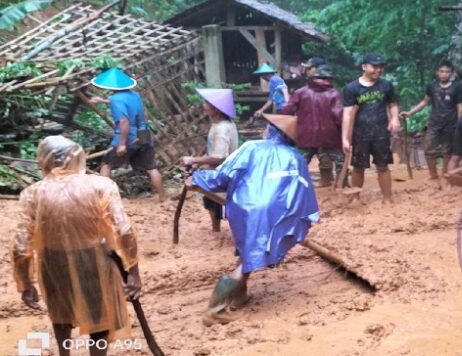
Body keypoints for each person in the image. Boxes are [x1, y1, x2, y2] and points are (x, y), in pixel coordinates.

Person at [11, 136, 141, 356]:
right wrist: (134, 273)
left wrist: (25, 282)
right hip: (95, 259)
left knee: (61, 316)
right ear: (78, 157)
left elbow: (21, 245)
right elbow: (124, 230)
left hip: (53, 261)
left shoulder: (33, 194)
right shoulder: (100, 185)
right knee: (100, 318)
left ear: (44, 160)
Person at [187, 114, 319, 325]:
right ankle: (217, 310)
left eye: (267, 127)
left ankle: (235, 297)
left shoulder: (252, 147)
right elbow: (304, 193)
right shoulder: (297, 157)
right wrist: (295, 220)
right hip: (278, 212)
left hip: (245, 208)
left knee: (249, 250)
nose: (264, 130)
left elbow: (223, 176)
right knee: (251, 251)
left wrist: (197, 178)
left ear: (273, 131)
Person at [89, 68, 165, 201]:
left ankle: (104, 199)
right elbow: (126, 105)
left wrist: (122, 145)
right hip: (144, 134)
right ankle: (163, 198)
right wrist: (103, 101)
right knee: (151, 168)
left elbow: (124, 122)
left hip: (127, 137)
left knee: (107, 165)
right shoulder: (135, 95)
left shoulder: (116, 99)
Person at [342, 53, 401, 203]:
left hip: (381, 132)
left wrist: (394, 118)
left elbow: (393, 104)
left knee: (383, 166)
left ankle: (387, 198)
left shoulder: (386, 85)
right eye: (374, 66)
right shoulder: (351, 88)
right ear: (364, 67)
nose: (378, 70)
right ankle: (355, 197)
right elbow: (347, 115)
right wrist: (344, 139)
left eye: (381, 67)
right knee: (358, 167)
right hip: (360, 133)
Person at [179, 88, 239, 231]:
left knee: (211, 198)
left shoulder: (222, 128)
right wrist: (199, 163)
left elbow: (219, 157)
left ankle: (217, 229)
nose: (204, 105)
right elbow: (214, 153)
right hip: (221, 170)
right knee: (210, 201)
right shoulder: (220, 125)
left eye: (207, 103)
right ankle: (216, 229)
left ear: (216, 109)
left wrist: (193, 160)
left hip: (222, 173)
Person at [281, 64, 344, 187]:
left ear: (313, 78)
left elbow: (287, 111)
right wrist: (343, 135)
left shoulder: (300, 92)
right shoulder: (334, 94)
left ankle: (293, 186)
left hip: (305, 136)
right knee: (340, 161)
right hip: (329, 136)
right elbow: (339, 116)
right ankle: (339, 185)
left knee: (299, 162)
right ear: (329, 79)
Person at [400, 61, 462, 180]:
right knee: (429, 149)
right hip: (434, 122)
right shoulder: (432, 86)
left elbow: (459, 106)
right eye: (442, 71)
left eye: (447, 72)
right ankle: (433, 176)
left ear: (451, 73)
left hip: (451, 122)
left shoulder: (457, 87)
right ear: (437, 72)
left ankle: (446, 175)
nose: (444, 74)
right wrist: (410, 113)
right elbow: (425, 102)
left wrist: (460, 123)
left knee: (447, 151)